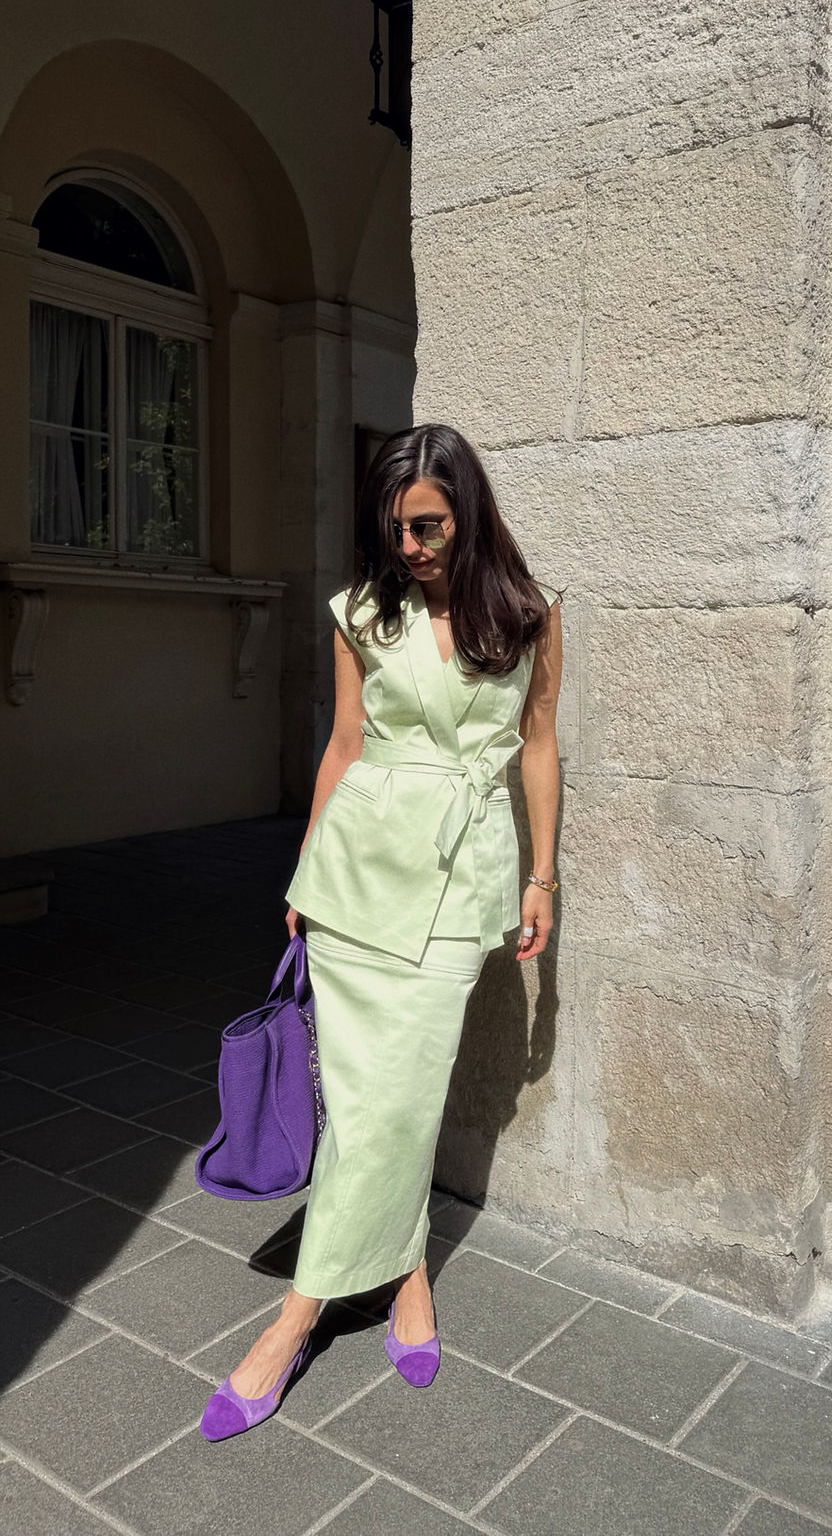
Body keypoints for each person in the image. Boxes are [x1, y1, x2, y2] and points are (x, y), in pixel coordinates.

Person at [200, 422, 562, 1439]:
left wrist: (541, 875)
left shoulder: (530, 615)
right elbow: (345, 744)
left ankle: (302, 1311)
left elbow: (538, 747)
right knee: (366, 1103)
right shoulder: (362, 612)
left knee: (402, 1091)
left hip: (459, 877)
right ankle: (394, 1281)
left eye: (429, 525)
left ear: (469, 514)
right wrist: (305, 869)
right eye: (396, 527)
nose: (410, 545)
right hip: (355, 872)